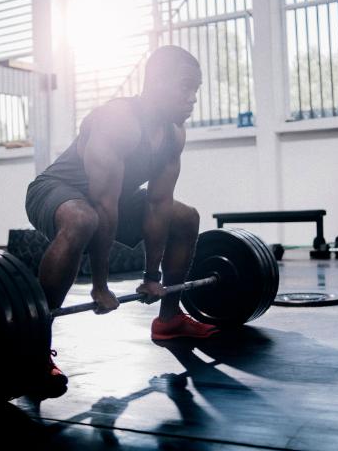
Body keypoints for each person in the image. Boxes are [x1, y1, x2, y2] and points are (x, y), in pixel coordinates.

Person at [25, 45, 218, 399]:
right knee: (84, 219)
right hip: (57, 190)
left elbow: (159, 205)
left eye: (196, 90)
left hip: (114, 199)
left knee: (185, 217)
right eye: (184, 87)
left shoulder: (174, 134)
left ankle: (169, 320)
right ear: (156, 82)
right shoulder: (119, 121)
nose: (192, 98)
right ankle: (33, 350)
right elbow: (103, 207)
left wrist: (151, 277)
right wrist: (100, 286)